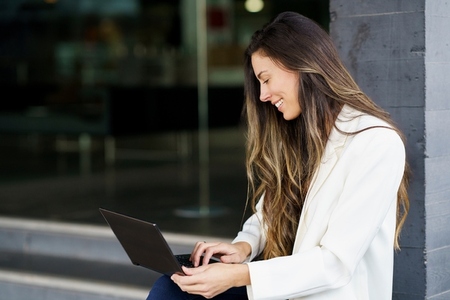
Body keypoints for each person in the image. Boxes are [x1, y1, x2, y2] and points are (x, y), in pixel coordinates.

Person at [147, 11, 410, 300]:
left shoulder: (376, 143)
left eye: (266, 78)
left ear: (301, 64)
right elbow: (270, 213)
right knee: (172, 286)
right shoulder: (301, 136)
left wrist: (239, 275)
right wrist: (243, 247)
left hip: (324, 293)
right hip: (281, 286)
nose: (262, 95)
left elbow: (335, 264)